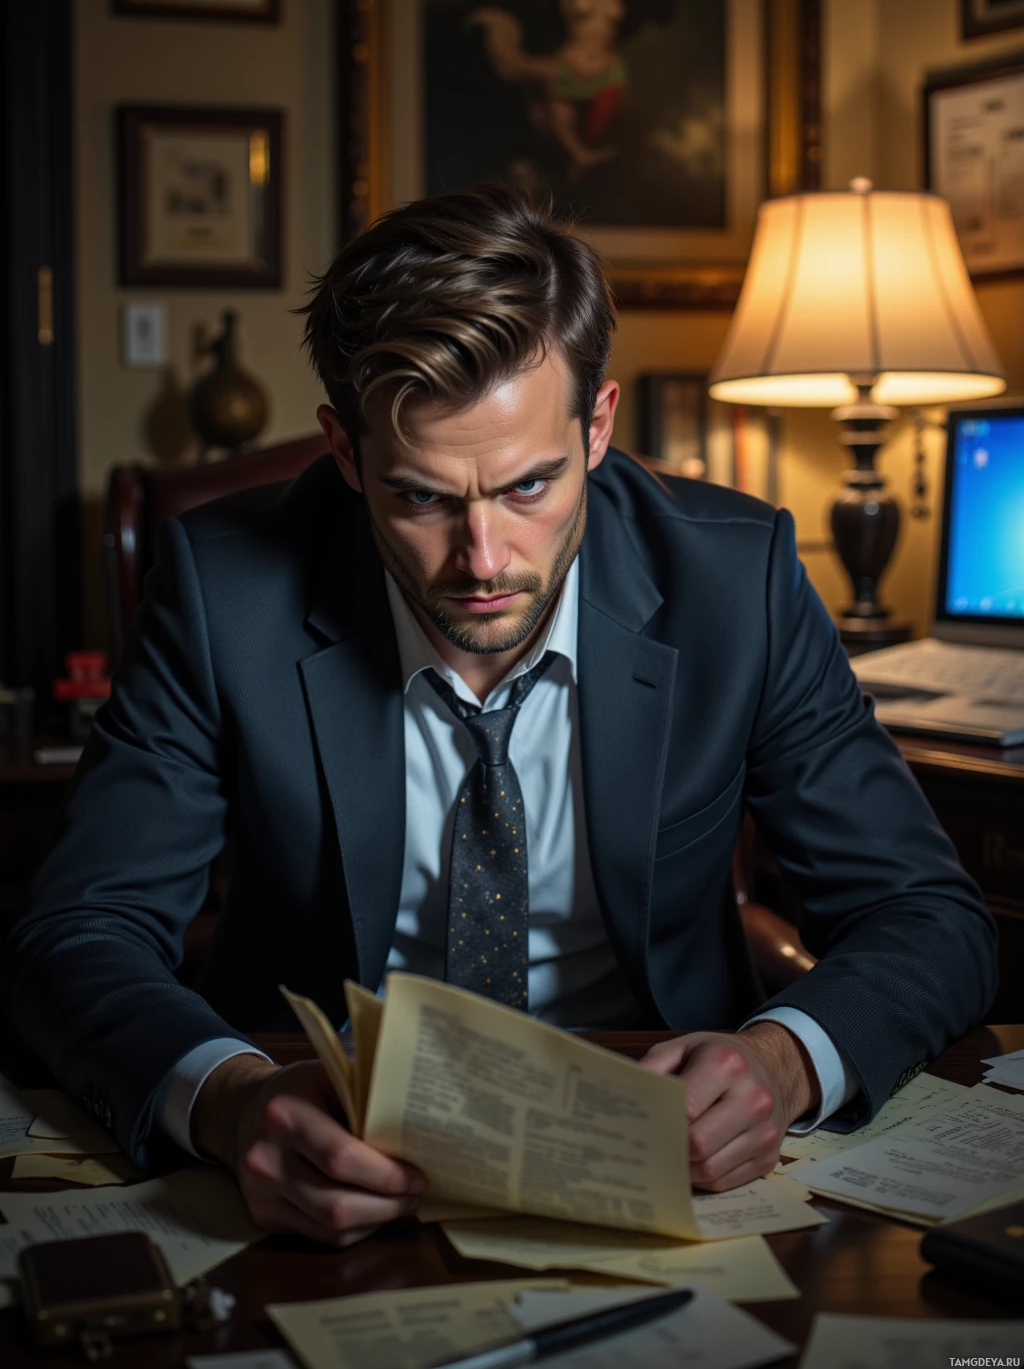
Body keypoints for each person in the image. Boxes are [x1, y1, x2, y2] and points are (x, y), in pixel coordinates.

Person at [3, 184, 996, 1250]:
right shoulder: (221, 589)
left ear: (598, 425)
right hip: (321, 1163)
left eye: (528, 487)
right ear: (344, 454)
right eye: (422, 497)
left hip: (670, 1165)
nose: (482, 563)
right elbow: (75, 932)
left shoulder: (735, 581)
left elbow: (928, 917)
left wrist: (782, 1061)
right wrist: (233, 1099)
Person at [470, 0, 715, 178]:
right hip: (570, 67)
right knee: (559, 124)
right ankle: (572, 159)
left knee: (601, 131)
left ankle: (583, 159)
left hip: (606, 71)